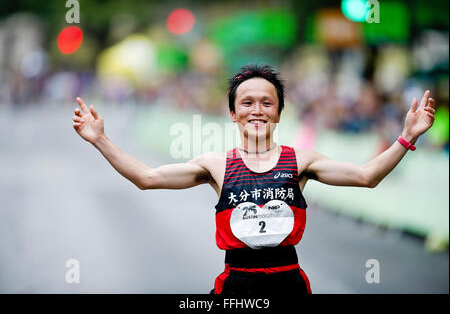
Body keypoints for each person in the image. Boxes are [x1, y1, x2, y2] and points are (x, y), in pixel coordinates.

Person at [72, 64, 436, 295]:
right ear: (233, 113)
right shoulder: (215, 164)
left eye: (267, 102)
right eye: (247, 103)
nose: (257, 110)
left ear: (279, 111)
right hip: (235, 285)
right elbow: (148, 178)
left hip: (289, 283)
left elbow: (366, 176)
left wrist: (408, 136)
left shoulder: (301, 161)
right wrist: (100, 139)